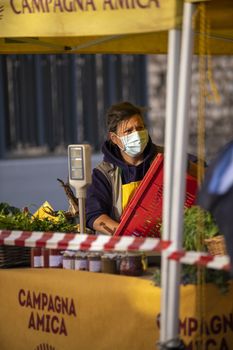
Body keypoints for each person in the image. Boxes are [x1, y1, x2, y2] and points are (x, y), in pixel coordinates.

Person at [86, 101, 198, 235]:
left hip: (168, 243)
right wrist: (130, 236)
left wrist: (183, 164)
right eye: (128, 131)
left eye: (140, 128)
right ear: (114, 138)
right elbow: (95, 217)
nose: (137, 135)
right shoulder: (104, 174)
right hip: (125, 249)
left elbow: (206, 174)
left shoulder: (165, 157)